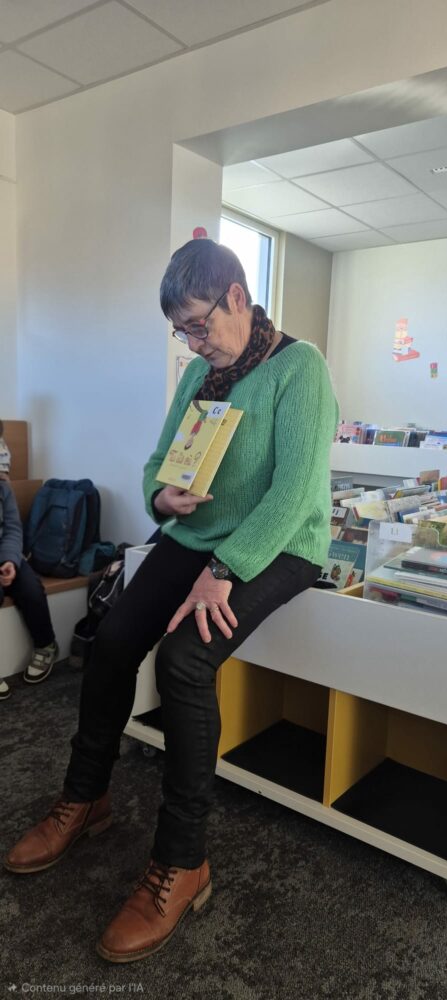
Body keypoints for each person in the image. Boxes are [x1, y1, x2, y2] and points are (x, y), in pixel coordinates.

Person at [4, 239, 338, 962]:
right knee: (112, 639)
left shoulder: (300, 369)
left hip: (279, 544)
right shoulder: (199, 376)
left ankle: (183, 862)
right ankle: (85, 798)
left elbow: (294, 493)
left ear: (237, 297)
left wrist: (224, 568)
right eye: (180, 331)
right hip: (199, 535)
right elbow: (159, 463)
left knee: (185, 661)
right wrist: (162, 497)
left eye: (198, 324)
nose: (192, 342)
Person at [0, 476, 59, 699]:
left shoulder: (3, 488)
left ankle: (46, 645)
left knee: (31, 589)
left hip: (6, 554)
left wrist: (10, 561)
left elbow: (13, 530)